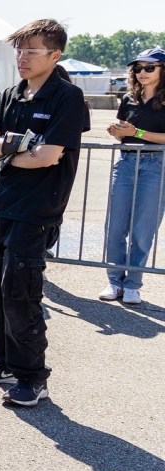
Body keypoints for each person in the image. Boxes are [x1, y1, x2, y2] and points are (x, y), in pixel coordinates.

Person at [0, 19, 88, 407]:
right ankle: (4, 364)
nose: (22, 57)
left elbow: (48, 156)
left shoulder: (66, 97)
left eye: (32, 51)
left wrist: (6, 149)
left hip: (35, 212)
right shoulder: (10, 95)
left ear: (55, 55)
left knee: (20, 294)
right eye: (19, 49)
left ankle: (32, 377)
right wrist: (20, 147)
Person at [100, 48, 165, 305]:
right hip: (126, 162)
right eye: (138, 68)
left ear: (162, 70)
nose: (142, 72)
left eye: (149, 67)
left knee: (143, 229)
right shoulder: (128, 98)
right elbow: (123, 131)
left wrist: (136, 133)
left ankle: (133, 285)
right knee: (115, 226)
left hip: (156, 165)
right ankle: (114, 281)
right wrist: (116, 131)